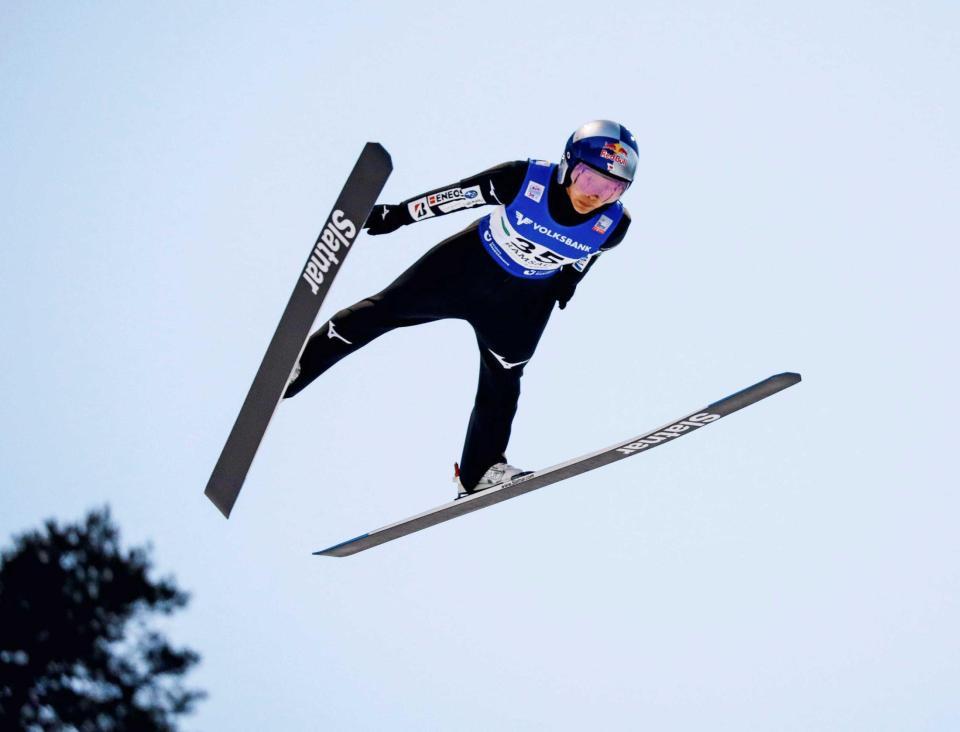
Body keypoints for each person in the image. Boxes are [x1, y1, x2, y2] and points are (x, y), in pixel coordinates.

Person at [284, 120, 638, 499]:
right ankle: (296, 368)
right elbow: (456, 196)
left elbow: (585, 257)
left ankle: (480, 470)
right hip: (466, 268)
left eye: (610, 188)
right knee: (383, 311)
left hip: (522, 301)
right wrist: (398, 215)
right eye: (588, 180)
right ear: (568, 165)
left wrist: (568, 286)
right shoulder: (522, 178)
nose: (594, 196)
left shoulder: (613, 225)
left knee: (505, 377)